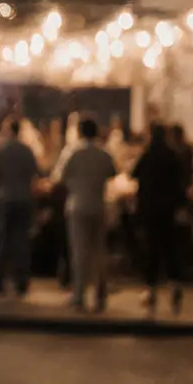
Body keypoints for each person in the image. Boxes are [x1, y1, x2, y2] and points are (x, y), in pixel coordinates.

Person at [54, 117, 117, 312]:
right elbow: (113, 173)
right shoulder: (104, 153)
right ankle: (100, 295)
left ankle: (79, 295)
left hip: (77, 205)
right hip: (99, 205)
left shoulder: (72, 152)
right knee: (99, 251)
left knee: (79, 252)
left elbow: (60, 177)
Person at [132, 123, 185, 311]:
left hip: (150, 208)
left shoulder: (147, 155)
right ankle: (175, 284)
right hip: (168, 209)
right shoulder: (173, 155)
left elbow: (134, 174)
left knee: (151, 247)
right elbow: (181, 181)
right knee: (170, 247)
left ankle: (151, 289)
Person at [0, 115, 39, 296]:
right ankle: (21, 282)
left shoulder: (2, 150)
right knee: (22, 241)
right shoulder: (27, 151)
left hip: (5, 198)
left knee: (3, 240)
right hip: (24, 199)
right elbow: (35, 173)